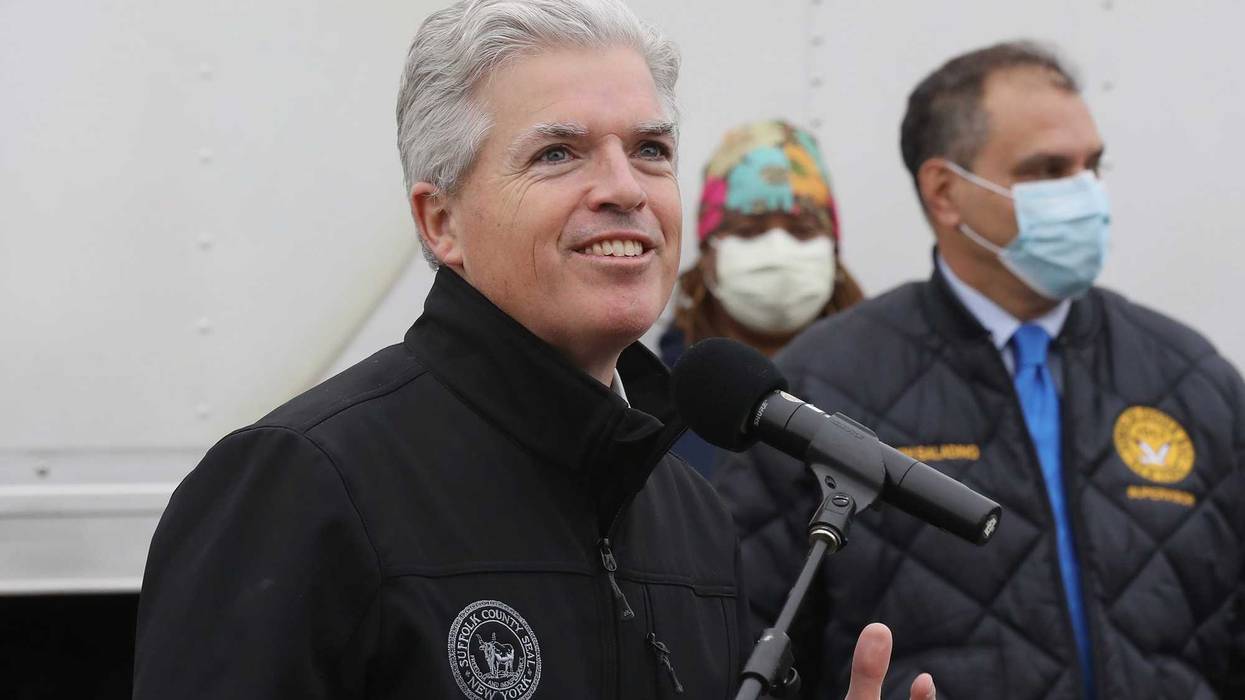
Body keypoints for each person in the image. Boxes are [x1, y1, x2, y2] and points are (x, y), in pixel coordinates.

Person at [131, 1, 935, 698]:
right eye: (558, 153)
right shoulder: (302, 483)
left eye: (650, 150)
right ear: (440, 221)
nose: (625, 188)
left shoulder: (688, 512)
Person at [715, 40, 1245, 699]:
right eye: (1048, 170)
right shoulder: (824, 384)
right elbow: (749, 641)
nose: (1083, 194)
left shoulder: (1191, 379)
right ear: (945, 192)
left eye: (1091, 166)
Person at [660, 119, 864, 477]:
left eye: (802, 231)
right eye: (748, 231)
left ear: (832, 251)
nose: (777, 250)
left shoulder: (880, 386)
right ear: (708, 255)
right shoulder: (659, 404)